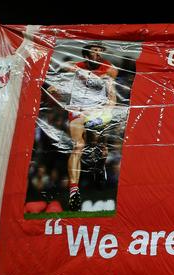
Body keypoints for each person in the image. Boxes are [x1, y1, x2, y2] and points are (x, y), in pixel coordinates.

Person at [51, 42, 118, 211]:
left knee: (99, 146)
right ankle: (74, 190)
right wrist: (56, 89)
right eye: (94, 51)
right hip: (78, 110)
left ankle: (100, 164)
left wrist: (108, 110)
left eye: (100, 51)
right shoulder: (76, 67)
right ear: (87, 55)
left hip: (98, 111)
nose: (98, 54)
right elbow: (59, 79)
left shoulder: (109, 69)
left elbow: (112, 95)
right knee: (78, 145)